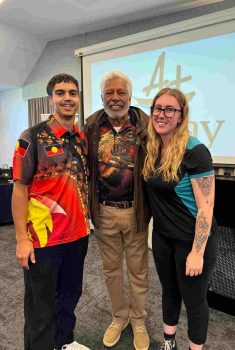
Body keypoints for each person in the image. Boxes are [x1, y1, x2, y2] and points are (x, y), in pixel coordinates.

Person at [12, 73, 91, 350]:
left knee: (69, 298)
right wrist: (22, 239)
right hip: (44, 239)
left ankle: (65, 343)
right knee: (40, 309)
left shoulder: (82, 138)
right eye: (61, 93)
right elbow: (20, 188)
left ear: (79, 98)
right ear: (51, 98)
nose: (67, 98)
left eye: (72, 92)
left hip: (78, 236)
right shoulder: (31, 137)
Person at [143, 88, 217, 350]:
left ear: (181, 115)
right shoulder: (152, 147)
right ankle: (169, 341)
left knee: (194, 299)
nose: (161, 114)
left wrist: (198, 251)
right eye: (157, 108)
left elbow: (206, 208)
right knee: (169, 291)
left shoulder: (194, 151)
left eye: (169, 109)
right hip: (163, 237)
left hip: (192, 239)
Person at [84, 71, 150, 350]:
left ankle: (138, 320)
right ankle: (118, 316)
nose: (114, 98)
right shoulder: (90, 127)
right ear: (101, 98)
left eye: (120, 92)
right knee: (111, 271)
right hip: (104, 211)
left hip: (135, 211)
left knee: (138, 271)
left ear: (130, 96)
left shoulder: (146, 125)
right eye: (109, 93)